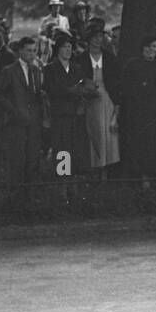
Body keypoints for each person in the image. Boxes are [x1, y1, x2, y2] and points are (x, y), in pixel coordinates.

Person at [0, 36, 46, 202]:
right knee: (17, 159)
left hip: (33, 122)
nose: (32, 54)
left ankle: (31, 195)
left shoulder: (36, 71)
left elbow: (36, 95)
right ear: (20, 51)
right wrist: (13, 111)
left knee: (33, 159)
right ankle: (16, 196)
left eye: (34, 51)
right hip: (16, 123)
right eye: (28, 51)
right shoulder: (9, 71)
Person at [43, 32, 96, 198]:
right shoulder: (50, 69)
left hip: (76, 115)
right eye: (64, 47)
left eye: (70, 47)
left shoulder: (77, 68)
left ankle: (73, 183)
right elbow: (52, 89)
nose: (67, 50)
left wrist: (85, 91)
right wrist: (71, 91)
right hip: (60, 115)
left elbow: (85, 87)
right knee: (62, 150)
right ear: (57, 49)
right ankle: (62, 185)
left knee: (75, 149)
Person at [120, 34, 156, 179]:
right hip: (139, 111)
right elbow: (126, 88)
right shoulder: (133, 65)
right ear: (142, 48)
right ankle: (142, 176)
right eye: (148, 46)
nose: (151, 49)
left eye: (154, 46)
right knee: (142, 144)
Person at [77, 28, 120, 177]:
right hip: (90, 101)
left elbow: (115, 81)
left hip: (107, 99)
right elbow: (78, 79)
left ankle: (107, 172)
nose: (97, 40)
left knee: (108, 135)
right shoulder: (81, 58)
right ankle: (94, 170)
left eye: (100, 37)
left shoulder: (109, 57)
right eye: (94, 37)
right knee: (95, 133)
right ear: (89, 40)